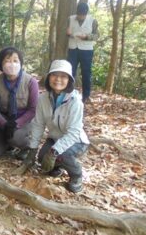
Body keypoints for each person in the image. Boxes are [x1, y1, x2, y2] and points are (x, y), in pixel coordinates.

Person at [16, 59, 90, 193]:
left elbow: (74, 132)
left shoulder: (75, 102)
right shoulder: (43, 98)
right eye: (54, 75)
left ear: (69, 80)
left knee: (62, 155)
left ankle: (77, 175)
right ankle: (57, 168)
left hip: (77, 141)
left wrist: (54, 151)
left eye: (63, 76)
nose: (58, 79)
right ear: (49, 77)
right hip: (55, 137)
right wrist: (32, 150)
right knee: (41, 157)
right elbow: (38, 124)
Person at [0, 47, 38, 158]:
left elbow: (33, 109)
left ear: (20, 63)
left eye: (15, 60)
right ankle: (8, 144)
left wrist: (16, 123)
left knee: (15, 137)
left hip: (24, 119)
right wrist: (4, 123)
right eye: (7, 61)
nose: (12, 64)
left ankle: (27, 147)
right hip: (3, 118)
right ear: (1, 64)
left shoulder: (30, 82)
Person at [66, 2, 99, 103]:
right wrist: (68, 33)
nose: (80, 17)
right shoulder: (70, 19)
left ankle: (86, 96)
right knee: (70, 71)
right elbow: (67, 32)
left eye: (82, 15)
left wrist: (87, 37)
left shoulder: (93, 20)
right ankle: (68, 94)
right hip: (73, 49)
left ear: (86, 13)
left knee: (86, 73)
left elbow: (96, 36)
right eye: (79, 14)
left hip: (87, 50)